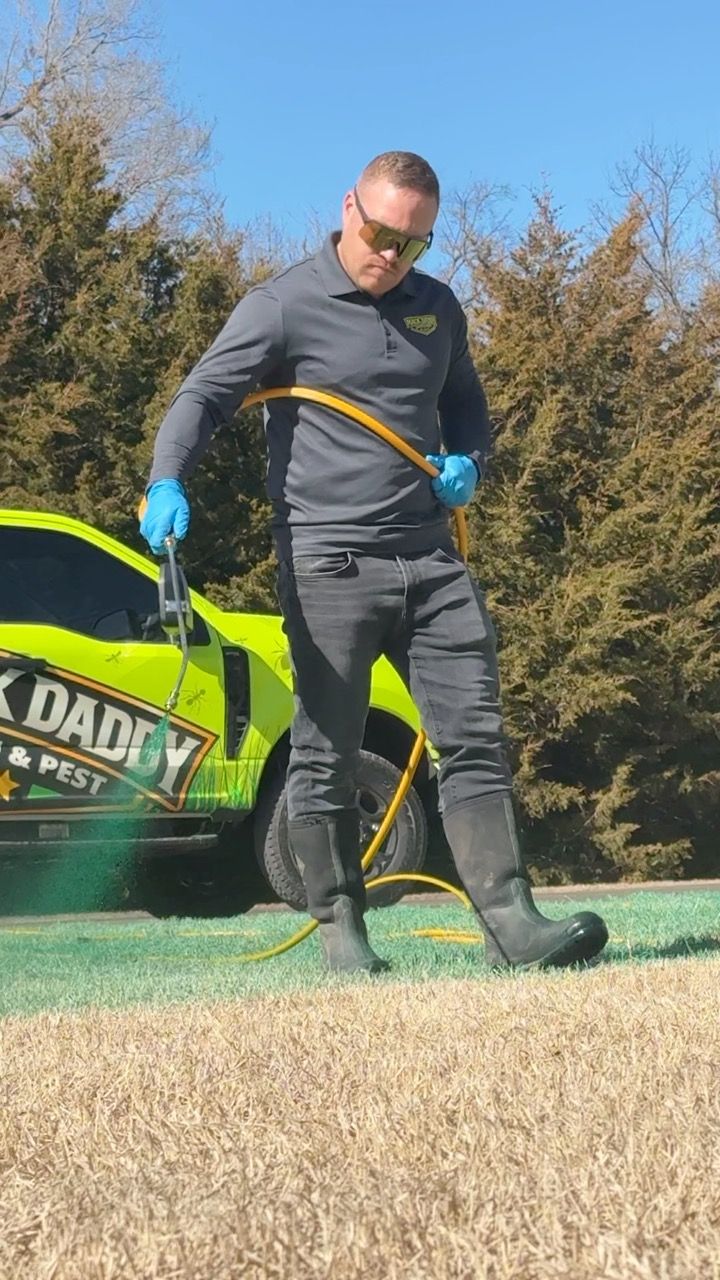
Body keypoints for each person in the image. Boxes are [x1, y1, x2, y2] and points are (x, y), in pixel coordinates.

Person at [139, 150, 609, 975]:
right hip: (330, 564)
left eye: (413, 242)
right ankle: (341, 932)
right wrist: (167, 479)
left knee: (474, 738)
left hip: (430, 560)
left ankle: (511, 920)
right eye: (382, 231)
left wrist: (470, 461)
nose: (391, 253)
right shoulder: (283, 304)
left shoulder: (439, 308)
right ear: (348, 206)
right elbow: (203, 396)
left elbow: (465, 402)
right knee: (324, 749)